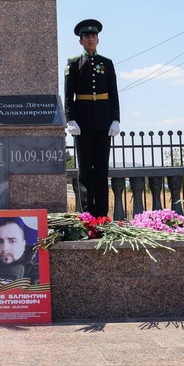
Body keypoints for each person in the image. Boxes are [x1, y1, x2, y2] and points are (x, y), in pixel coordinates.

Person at [63, 19, 120, 218]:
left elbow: (113, 93)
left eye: (93, 36)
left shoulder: (107, 63)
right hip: (83, 123)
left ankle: (102, 213)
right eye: (86, 36)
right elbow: (68, 95)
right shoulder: (73, 63)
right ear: (80, 41)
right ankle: (87, 214)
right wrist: (70, 119)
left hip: (104, 121)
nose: (90, 39)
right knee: (85, 169)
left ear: (98, 39)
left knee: (102, 168)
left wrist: (115, 119)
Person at [0, 217, 40, 284]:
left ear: (23, 245)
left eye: (12, 241)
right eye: (0, 241)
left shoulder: (37, 273)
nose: (5, 248)